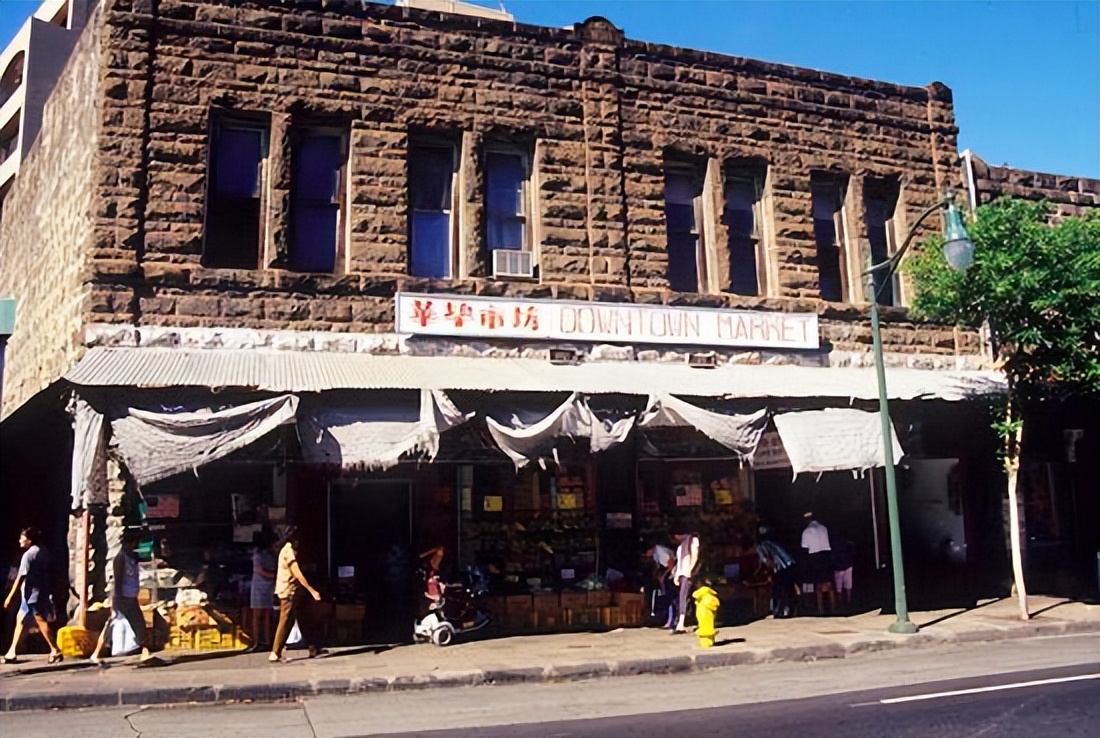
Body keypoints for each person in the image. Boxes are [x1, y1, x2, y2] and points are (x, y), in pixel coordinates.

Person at [90, 529, 154, 665]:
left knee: (139, 625)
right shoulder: (120, 558)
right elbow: (118, 581)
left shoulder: (132, 558)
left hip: (131, 597)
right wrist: (116, 602)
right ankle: (96, 653)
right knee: (111, 625)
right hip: (122, 598)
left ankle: (145, 653)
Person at [2, 527, 61, 665]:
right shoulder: (43, 551)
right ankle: (12, 652)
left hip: (31, 594)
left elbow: (21, 576)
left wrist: (10, 595)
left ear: (29, 540)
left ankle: (55, 649)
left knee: (40, 620)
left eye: (22, 538)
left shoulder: (28, 555)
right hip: (40, 591)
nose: (20, 540)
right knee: (21, 620)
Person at [270, 527, 323, 664]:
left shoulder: (288, 550)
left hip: (294, 590)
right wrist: (312, 590)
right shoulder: (288, 552)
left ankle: (312, 646)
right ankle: (275, 652)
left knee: (303, 617)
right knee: (286, 620)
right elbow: (297, 573)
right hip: (288, 591)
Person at [755, 526, 797, 619]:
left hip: (780, 567)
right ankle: (791, 610)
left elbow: (768, 561)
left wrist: (763, 573)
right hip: (789, 563)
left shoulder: (760, 545)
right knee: (789, 588)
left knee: (779, 590)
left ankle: (779, 611)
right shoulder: (775, 540)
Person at [800, 512, 835, 614]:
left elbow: (804, 548)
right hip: (826, 556)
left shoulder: (806, 531)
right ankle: (834, 608)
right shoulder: (824, 528)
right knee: (829, 584)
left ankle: (820, 609)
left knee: (818, 585)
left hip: (815, 558)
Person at [249, 528, 277, 647]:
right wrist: (273, 576)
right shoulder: (257, 554)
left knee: (267, 614)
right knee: (257, 614)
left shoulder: (271, 554)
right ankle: (256, 641)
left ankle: (267, 640)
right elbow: (258, 570)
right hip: (259, 586)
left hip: (268, 586)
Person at [643, 539, 677, 629]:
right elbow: (657, 567)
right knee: (665, 597)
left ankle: (672, 620)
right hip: (665, 572)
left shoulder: (660, 551)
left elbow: (671, 563)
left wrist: (664, 576)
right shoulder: (655, 554)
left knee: (670, 598)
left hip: (672, 573)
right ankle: (668, 619)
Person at [670, 532, 700, 634]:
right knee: (683, 597)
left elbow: (695, 556)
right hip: (682, 573)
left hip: (688, 573)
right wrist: (676, 575)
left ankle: (681, 623)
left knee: (684, 597)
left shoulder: (693, 540)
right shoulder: (681, 546)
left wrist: (690, 570)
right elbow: (679, 563)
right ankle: (681, 621)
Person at [692, 576, 721, 649]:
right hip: (708, 612)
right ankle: (711, 641)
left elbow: (695, 595)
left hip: (703, 611)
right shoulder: (710, 593)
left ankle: (705, 643)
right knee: (710, 625)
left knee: (704, 626)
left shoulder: (702, 591)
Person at [831, 536, 854, 610]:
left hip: (839, 567)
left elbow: (833, 557)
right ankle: (848, 602)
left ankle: (840, 603)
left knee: (839, 587)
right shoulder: (848, 544)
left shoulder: (834, 544)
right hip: (847, 565)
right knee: (848, 586)